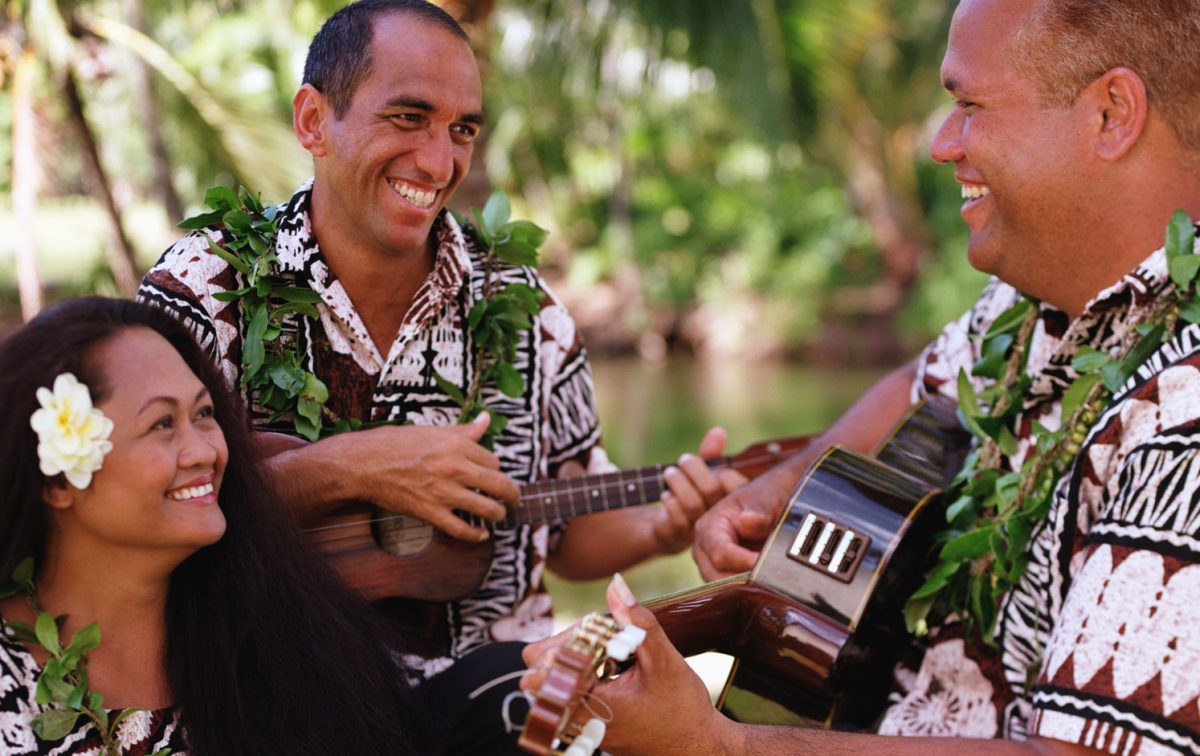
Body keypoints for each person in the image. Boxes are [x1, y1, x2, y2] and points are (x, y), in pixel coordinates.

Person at [530, 0, 1200, 753]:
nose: (942, 145)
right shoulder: (1031, 305)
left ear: (1111, 114)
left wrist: (718, 744)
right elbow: (925, 382)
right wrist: (777, 489)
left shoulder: (1186, 421)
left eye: (969, 105)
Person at [138, 0, 735, 676]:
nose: (437, 160)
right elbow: (129, 498)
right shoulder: (207, 286)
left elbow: (567, 531)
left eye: (463, 130)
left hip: (499, 695)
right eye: (409, 117)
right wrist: (356, 467)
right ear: (313, 121)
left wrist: (664, 526)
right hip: (271, 690)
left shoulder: (527, 312)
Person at [0, 297, 428, 755]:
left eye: (204, 414)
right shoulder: (11, 681)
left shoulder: (270, 625)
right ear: (58, 480)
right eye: (162, 423)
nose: (205, 451)